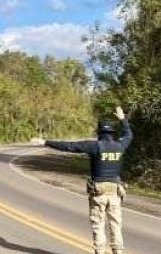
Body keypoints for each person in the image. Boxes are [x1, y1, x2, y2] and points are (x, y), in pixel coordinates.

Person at [44, 106, 133, 254]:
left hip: (98, 192)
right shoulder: (120, 145)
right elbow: (129, 134)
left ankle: (99, 251)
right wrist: (122, 119)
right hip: (115, 192)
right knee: (115, 224)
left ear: (99, 134)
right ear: (112, 133)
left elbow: (69, 146)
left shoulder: (94, 146)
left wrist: (47, 142)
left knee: (98, 224)